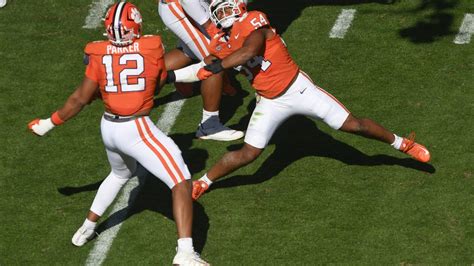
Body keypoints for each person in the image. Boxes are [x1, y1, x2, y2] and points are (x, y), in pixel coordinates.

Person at [188, 0, 431, 200]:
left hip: (298, 88)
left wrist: (217, 66)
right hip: (269, 101)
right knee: (248, 154)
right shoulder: (221, 43)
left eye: (227, 7)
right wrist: (173, 75)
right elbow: (206, 65)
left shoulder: (254, 20)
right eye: (219, 11)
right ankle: (203, 182)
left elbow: (249, 51)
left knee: (353, 125)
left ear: (238, 7)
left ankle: (403, 145)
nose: (225, 12)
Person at [27, 2, 208, 264]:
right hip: (135, 127)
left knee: (120, 173)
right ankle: (185, 253)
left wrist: (48, 123)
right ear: (135, 26)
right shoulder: (151, 47)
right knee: (181, 181)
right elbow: (157, 82)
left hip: (109, 126)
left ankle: (87, 227)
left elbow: (80, 99)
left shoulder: (97, 54)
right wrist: (197, 71)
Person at [158, 0, 244, 141]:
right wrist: (210, 27)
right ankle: (209, 127)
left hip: (182, 5)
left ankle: (134, 84)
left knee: (189, 52)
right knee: (214, 60)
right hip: (182, 6)